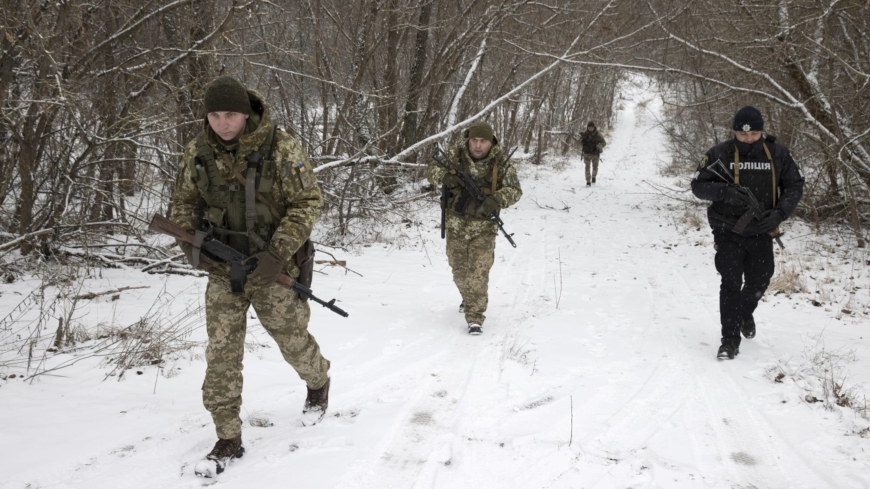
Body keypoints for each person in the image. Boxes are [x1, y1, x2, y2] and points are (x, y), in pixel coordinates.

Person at [170, 76, 331, 475]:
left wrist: (278, 252)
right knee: (221, 354)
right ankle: (228, 436)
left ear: (246, 113)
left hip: (270, 269)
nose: (223, 123)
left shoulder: (280, 146)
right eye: (214, 115)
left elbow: (309, 201)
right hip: (223, 270)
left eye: (231, 115)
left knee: (293, 342)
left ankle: (318, 382)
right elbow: (183, 206)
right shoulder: (198, 151)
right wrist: (195, 252)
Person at [691, 106, 804, 360]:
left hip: (762, 229)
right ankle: (729, 340)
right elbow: (698, 186)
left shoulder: (777, 153)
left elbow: (795, 186)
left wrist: (780, 213)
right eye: (743, 135)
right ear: (734, 132)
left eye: (754, 134)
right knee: (730, 281)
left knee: (760, 280)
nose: (749, 139)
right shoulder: (719, 154)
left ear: (761, 131)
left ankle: (743, 312)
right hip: (727, 229)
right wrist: (725, 193)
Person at [427, 121, 522, 335]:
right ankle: (467, 296)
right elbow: (431, 170)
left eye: (483, 141)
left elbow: (515, 190)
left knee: (478, 273)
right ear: (469, 140)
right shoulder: (454, 155)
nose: (478, 146)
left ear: (491, 142)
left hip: (484, 228)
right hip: (455, 225)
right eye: (474, 140)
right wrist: (445, 177)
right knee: (459, 271)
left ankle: (475, 317)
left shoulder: (501, 163)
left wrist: (497, 198)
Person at [580, 121, 606, 186]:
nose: (590, 129)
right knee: (587, 167)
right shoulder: (585, 134)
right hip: (587, 153)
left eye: (592, 127)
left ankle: (594, 176)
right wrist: (583, 142)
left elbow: (604, 143)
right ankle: (588, 181)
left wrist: (598, 146)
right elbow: (580, 142)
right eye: (589, 127)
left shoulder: (598, 134)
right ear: (587, 128)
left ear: (594, 127)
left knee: (595, 167)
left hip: (595, 153)